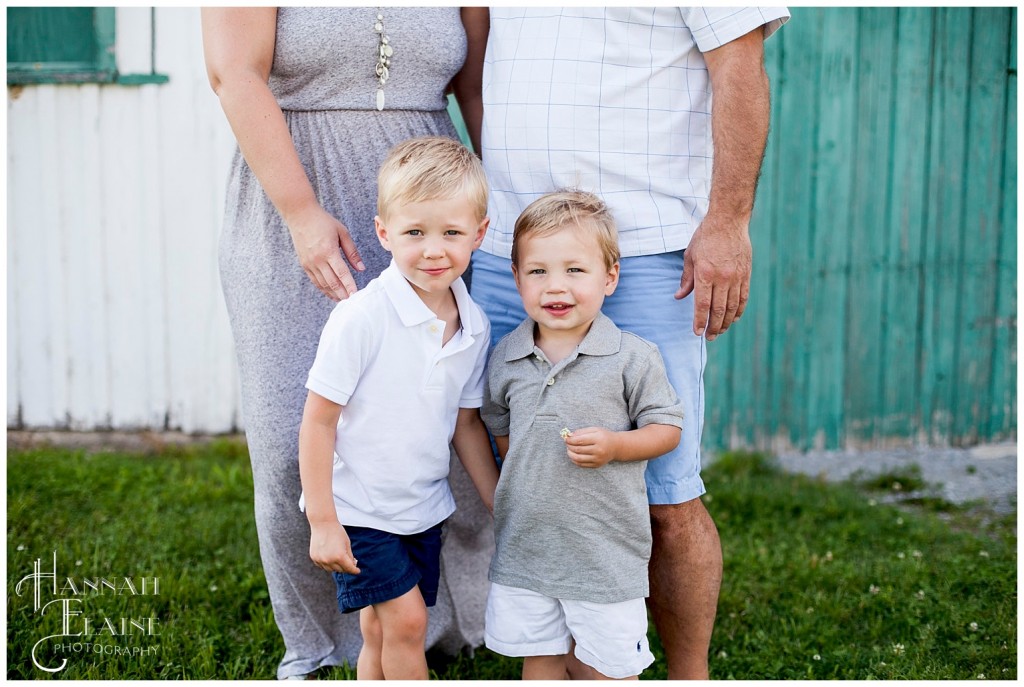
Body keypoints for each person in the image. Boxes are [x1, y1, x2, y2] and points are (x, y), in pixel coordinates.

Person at [457, 7, 790, 679]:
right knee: (524, 463)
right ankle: (570, 651)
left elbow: (740, 66)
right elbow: (476, 65)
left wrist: (727, 221)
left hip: (641, 248)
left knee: (668, 493)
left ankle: (686, 672)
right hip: (508, 249)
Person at [201, 8, 495, 678]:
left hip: (429, 206)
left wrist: (490, 214)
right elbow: (233, 74)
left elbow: (474, 88)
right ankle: (314, 641)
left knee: (431, 418)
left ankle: (426, 626)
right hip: (294, 192)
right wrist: (301, 213)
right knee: (289, 435)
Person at [298, 136, 500, 680]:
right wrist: (323, 521)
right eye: (415, 232)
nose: (433, 251)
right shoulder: (362, 318)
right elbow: (318, 420)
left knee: (381, 629)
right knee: (409, 623)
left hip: (420, 507)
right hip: (359, 507)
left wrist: (499, 502)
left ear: (479, 234)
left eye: (452, 233)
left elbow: (465, 424)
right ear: (385, 231)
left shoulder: (474, 325)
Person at [480, 191, 684, 680]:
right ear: (516, 278)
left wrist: (616, 446)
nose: (557, 286)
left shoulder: (631, 357)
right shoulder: (506, 356)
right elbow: (502, 432)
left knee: (608, 668)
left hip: (605, 556)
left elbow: (667, 429)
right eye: (538, 271)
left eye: (575, 270)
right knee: (541, 660)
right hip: (527, 550)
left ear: (609, 277)